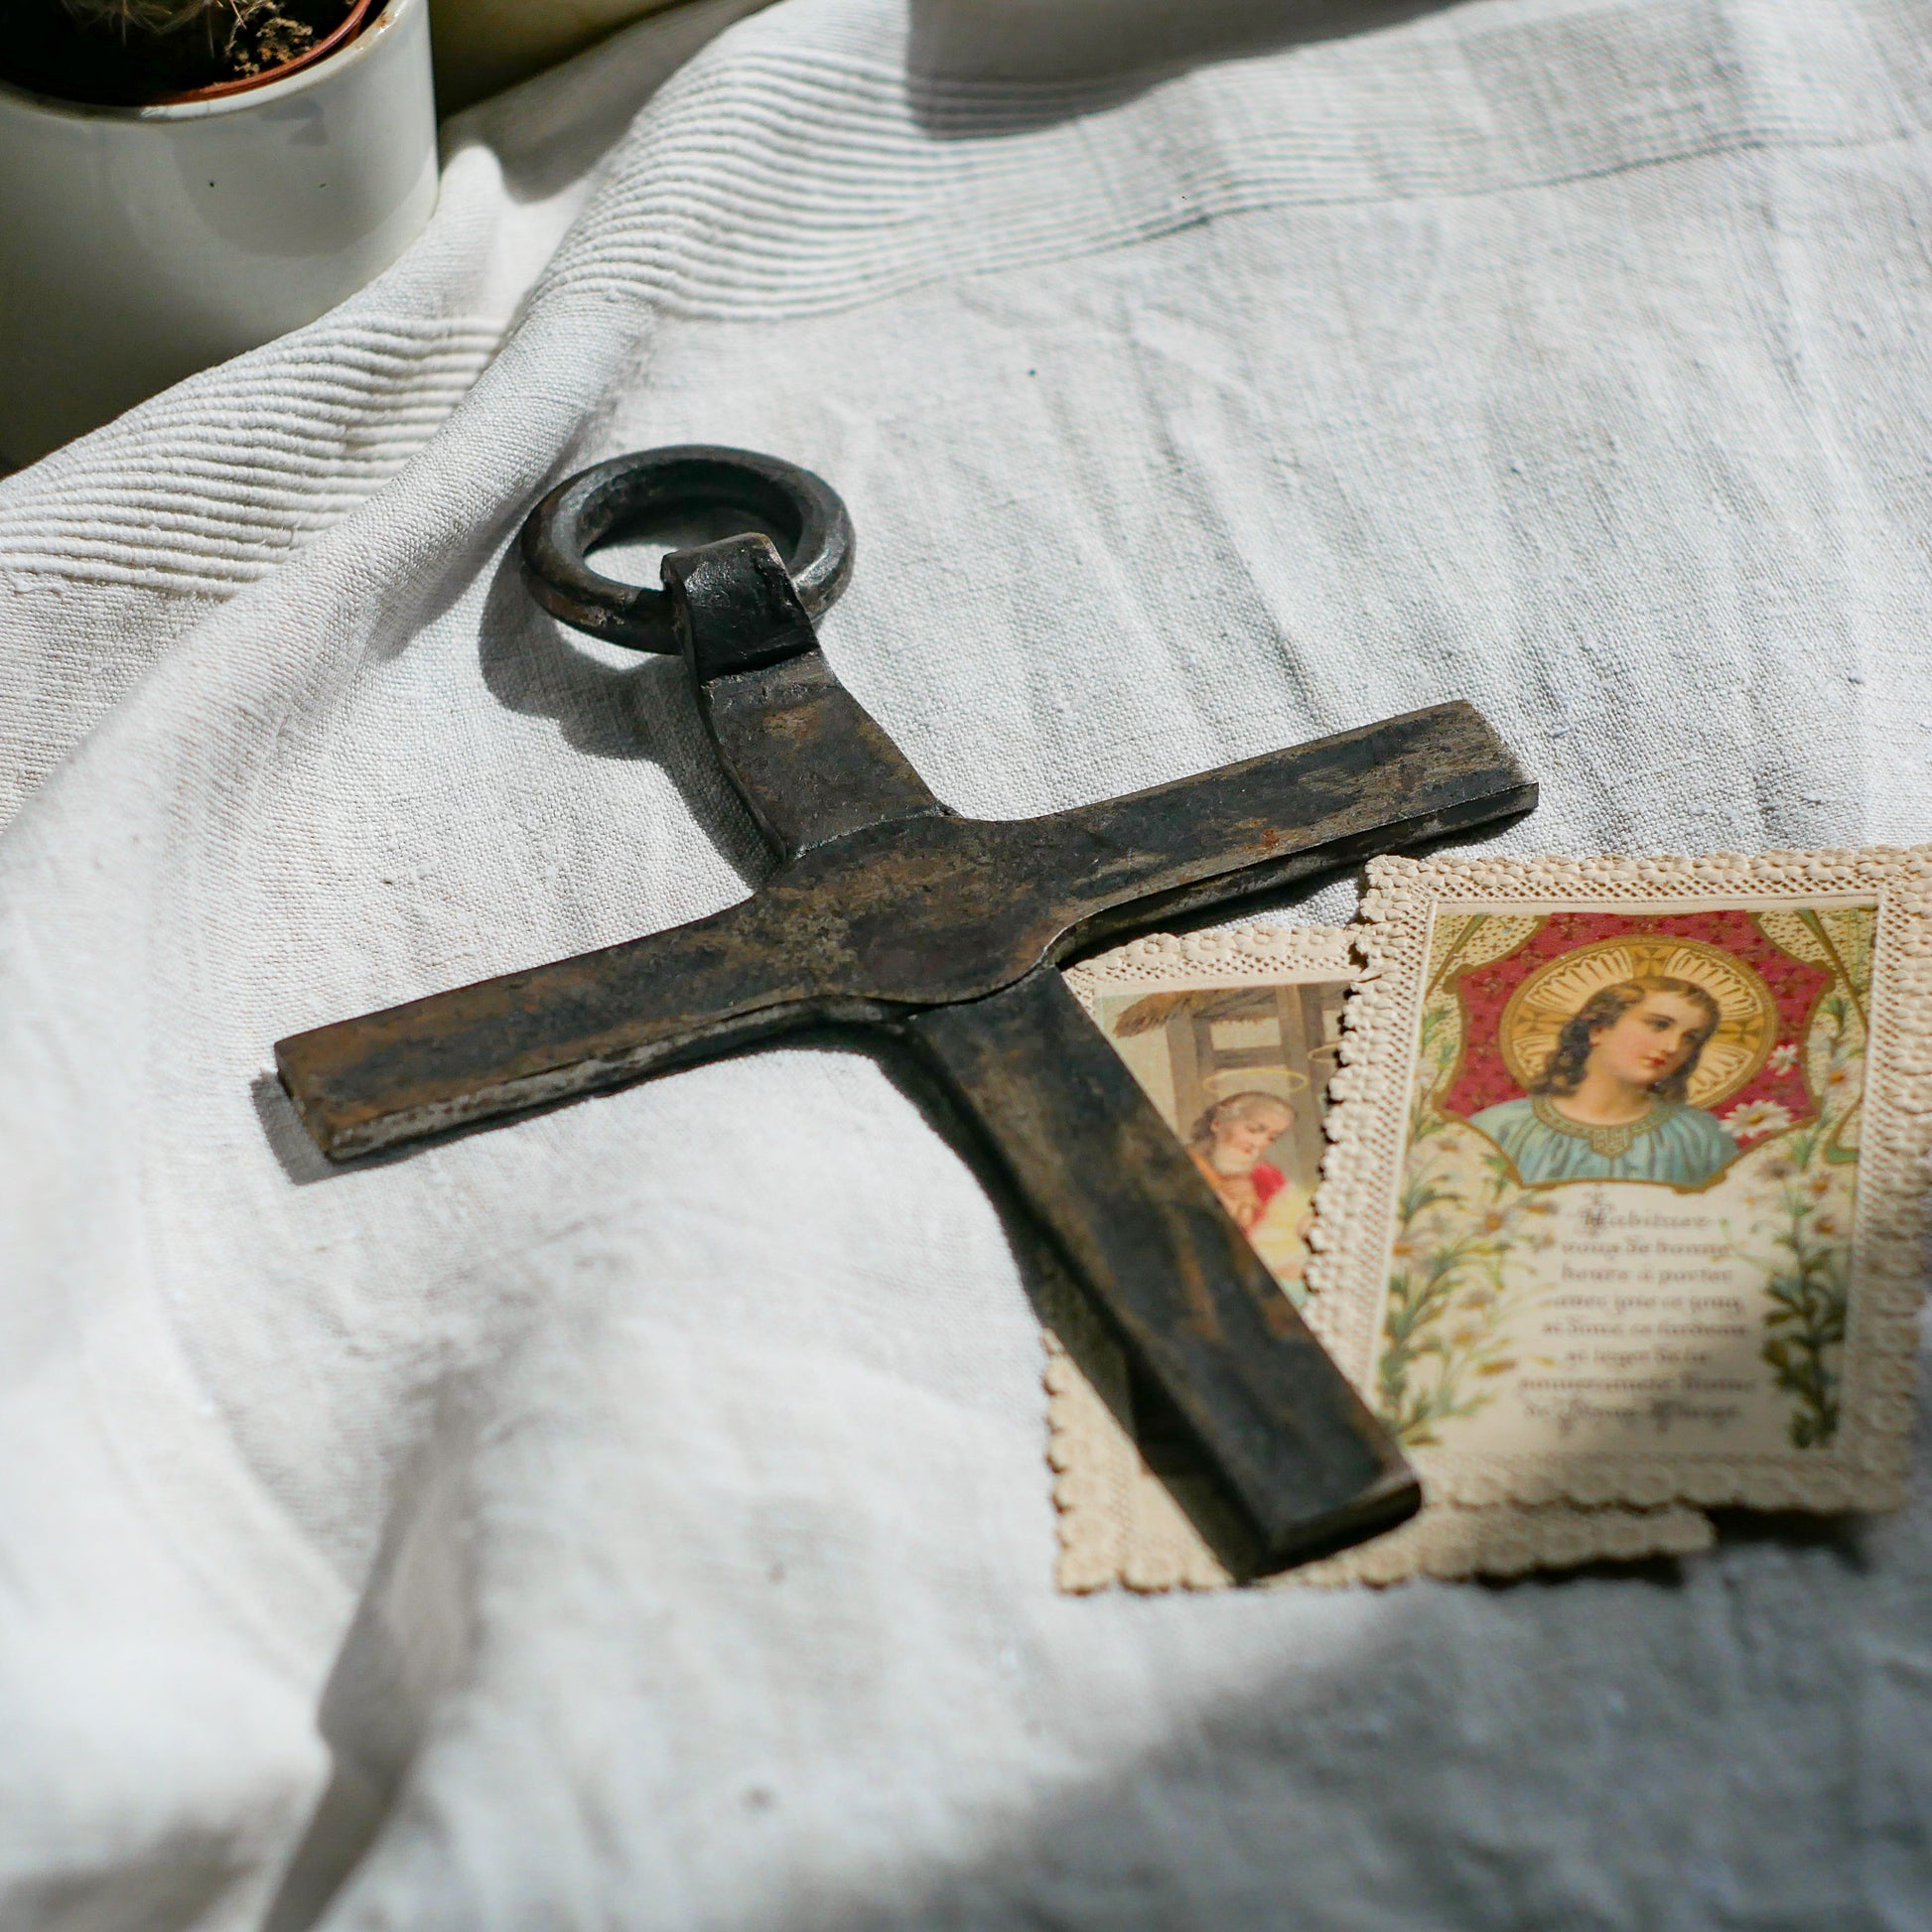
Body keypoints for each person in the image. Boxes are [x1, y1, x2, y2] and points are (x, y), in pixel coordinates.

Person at [1469, 975, 1739, 1186]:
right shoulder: (1500, 1129)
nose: (1672, 1046)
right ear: (1598, 1029)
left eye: (1690, 1038)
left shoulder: (1703, 1137)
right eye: (1659, 1025)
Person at [1187, 1091, 1295, 1230]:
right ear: (1218, 1123)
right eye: (1253, 1130)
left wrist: (1253, 1201)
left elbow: (1287, 1228)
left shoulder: (1269, 1175)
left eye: (1272, 1137)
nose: (1259, 1143)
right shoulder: (1184, 1163)